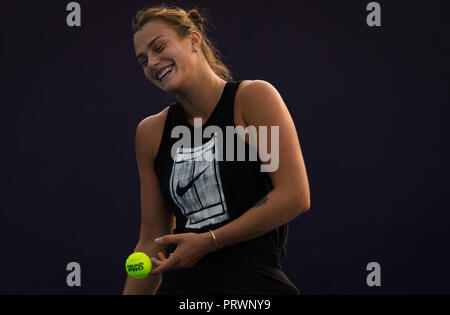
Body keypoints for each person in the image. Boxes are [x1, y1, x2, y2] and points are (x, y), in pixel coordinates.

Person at [122, 5, 310, 295]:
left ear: (194, 41)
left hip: (254, 287)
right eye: (143, 60)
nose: (152, 63)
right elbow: (152, 241)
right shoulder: (150, 133)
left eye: (159, 47)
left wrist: (210, 240)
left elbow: (294, 196)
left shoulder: (254, 99)